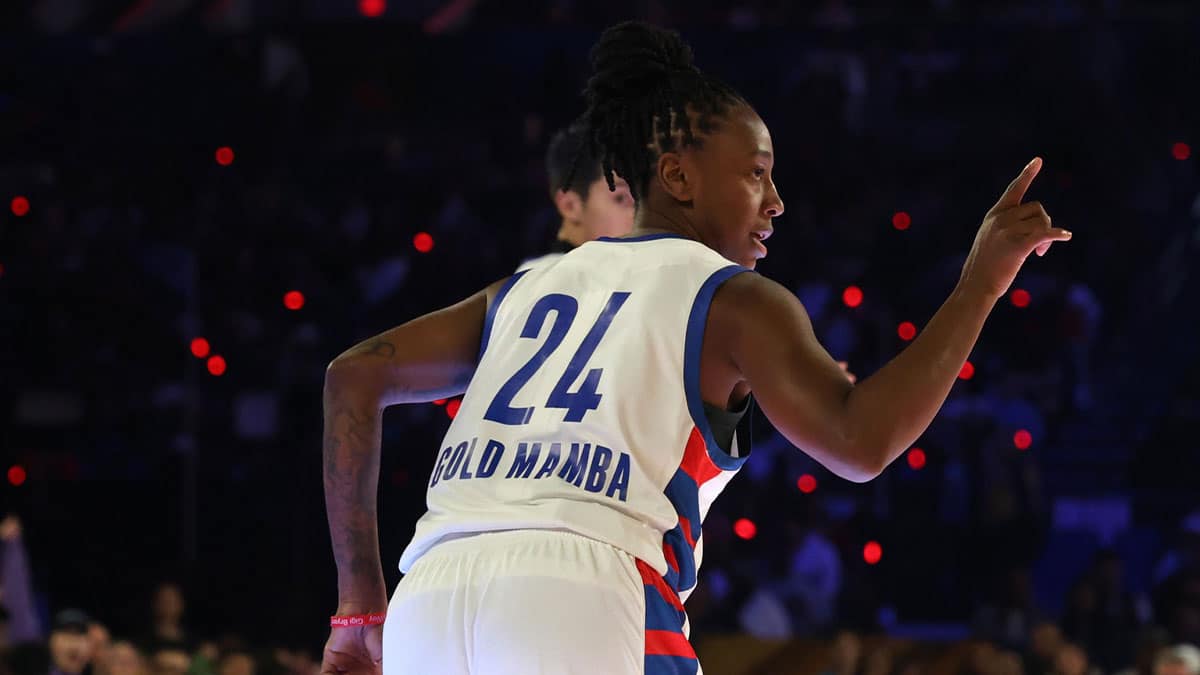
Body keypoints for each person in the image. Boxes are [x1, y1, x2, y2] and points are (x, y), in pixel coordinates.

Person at [319, 20, 1071, 675]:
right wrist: (981, 283)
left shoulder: (523, 290)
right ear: (677, 175)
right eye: (756, 173)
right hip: (584, 588)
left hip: (432, 592)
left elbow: (352, 378)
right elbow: (861, 442)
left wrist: (359, 604)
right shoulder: (734, 298)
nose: (775, 201)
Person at [516, 120, 636, 272]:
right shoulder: (539, 280)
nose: (640, 214)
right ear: (570, 206)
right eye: (621, 198)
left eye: (643, 198)